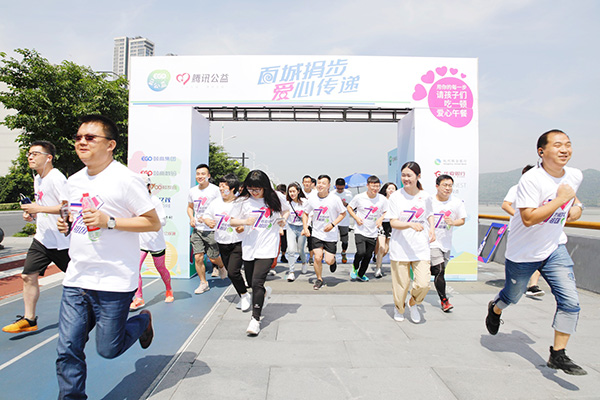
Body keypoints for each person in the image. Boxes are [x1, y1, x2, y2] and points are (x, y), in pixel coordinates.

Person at [55, 115, 161, 399]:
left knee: (108, 349)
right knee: (68, 348)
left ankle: (142, 321)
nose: (82, 142)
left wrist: (109, 222)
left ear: (110, 144)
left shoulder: (126, 180)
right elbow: (73, 214)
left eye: (90, 137)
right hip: (77, 278)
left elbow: (152, 223)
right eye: (78, 137)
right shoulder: (73, 181)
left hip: (114, 280)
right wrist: (67, 223)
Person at [485, 129, 587, 376]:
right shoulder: (531, 179)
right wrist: (560, 200)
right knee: (513, 296)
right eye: (558, 145)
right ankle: (495, 308)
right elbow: (529, 218)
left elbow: (574, 200)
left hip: (554, 247)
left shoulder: (575, 175)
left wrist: (578, 208)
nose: (565, 149)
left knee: (570, 302)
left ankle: (558, 354)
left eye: (568, 144)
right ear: (541, 151)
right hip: (523, 253)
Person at [2, 141, 70, 334]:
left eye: (35, 153)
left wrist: (38, 208)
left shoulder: (57, 178)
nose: (30, 157)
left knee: (81, 279)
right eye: (29, 154)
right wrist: (32, 214)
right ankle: (29, 319)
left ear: (48, 158)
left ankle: (109, 308)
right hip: (42, 239)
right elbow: (43, 206)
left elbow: (67, 207)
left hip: (63, 241)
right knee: (27, 276)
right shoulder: (38, 179)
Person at [230, 170, 290, 335]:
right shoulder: (242, 201)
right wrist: (244, 221)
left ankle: (255, 320)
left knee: (257, 282)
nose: (254, 192)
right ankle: (264, 293)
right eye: (250, 188)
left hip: (268, 246)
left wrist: (283, 220)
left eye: (257, 189)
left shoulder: (276, 197)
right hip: (249, 246)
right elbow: (232, 221)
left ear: (265, 186)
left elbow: (286, 210)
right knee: (251, 282)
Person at [387, 162, 435, 323]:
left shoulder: (425, 196)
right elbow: (393, 222)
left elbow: (429, 214)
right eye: (403, 175)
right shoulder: (396, 196)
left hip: (420, 247)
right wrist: (409, 224)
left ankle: (413, 303)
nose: (405, 179)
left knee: (423, 283)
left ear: (418, 176)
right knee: (401, 285)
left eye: (409, 175)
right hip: (400, 247)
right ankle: (399, 309)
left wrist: (432, 229)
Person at [203, 174, 251, 311]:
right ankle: (243, 294)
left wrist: (243, 227)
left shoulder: (240, 203)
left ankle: (244, 295)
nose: (221, 189)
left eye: (224, 187)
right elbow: (206, 215)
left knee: (233, 272)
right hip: (222, 242)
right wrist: (208, 221)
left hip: (237, 242)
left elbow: (249, 219)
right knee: (231, 271)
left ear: (232, 189)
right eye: (220, 187)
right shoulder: (215, 203)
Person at [130, 175, 173, 310]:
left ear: (149, 187)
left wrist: (147, 221)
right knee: (135, 268)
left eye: (143, 186)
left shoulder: (155, 201)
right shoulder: (133, 201)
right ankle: (139, 298)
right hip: (139, 241)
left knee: (160, 268)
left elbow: (163, 221)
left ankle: (169, 289)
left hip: (155, 241)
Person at [502, 164, 545, 297]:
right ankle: (513, 286)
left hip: (537, 231)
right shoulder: (516, 188)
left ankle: (533, 286)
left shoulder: (544, 190)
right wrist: (519, 216)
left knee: (539, 257)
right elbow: (505, 205)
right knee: (519, 259)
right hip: (518, 232)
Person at [187, 163, 227, 294]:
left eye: (203, 174)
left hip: (211, 230)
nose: (200, 176)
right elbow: (190, 207)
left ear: (208, 176)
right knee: (198, 257)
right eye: (198, 174)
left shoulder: (215, 190)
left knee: (213, 257)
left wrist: (212, 220)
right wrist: (191, 218)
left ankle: (221, 266)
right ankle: (203, 283)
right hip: (197, 230)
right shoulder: (192, 191)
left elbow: (222, 207)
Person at [302, 175, 346, 290]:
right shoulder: (312, 199)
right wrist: (305, 228)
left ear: (328, 186)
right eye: (319, 183)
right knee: (317, 257)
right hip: (317, 233)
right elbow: (305, 213)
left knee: (328, 260)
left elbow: (343, 213)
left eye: (323, 183)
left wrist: (332, 224)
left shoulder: (335, 199)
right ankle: (319, 279)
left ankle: (333, 261)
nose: (320, 185)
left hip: (330, 235)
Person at [430, 174, 466, 312]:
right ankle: (444, 300)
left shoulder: (456, 202)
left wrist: (453, 222)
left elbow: (462, 220)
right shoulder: (429, 201)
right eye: (445, 185)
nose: (447, 188)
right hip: (431, 242)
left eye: (450, 185)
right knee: (440, 270)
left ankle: (424, 274)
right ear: (437, 186)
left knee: (438, 271)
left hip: (446, 243)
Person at [347, 176, 388, 282]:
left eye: (377, 186)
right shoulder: (359, 197)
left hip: (373, 231)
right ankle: (355, 267)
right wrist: (356, 218)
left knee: (368, 255)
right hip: (360, 230)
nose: (375, 188)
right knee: (361, 252)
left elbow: (386, 211)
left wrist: (381, 219)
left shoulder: (382, 199)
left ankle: (361, 274)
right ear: (367, 185)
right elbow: (349, 207)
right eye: (373, 186)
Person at [285, 182, 309, 280]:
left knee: (300, 249)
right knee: (291, 250)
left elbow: (309, 215)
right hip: (291, 227)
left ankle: (304, 262)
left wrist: (306, 227)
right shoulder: (287, 203)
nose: (292, 193)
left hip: (302, 227)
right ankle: (291, 271)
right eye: (290, 191)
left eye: (293, 191)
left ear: (298, 191)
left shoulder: (304, 202)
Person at [374, 182, 397, 278]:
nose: (391, 190)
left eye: (393, 189)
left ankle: (377, 257)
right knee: (382, 247)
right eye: (389, 188)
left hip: (391, 225)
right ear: (386, 190)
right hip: (382, 224)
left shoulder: (397, 201)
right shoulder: (382, 200)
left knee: (386, 250)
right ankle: (378, 268)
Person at [332, 178, 353, 263]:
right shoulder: (332, 194)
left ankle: (343, 252)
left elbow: (352, 207)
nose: (340, 190)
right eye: (338, 188)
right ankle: (332, 255)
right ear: (335, 186)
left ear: (344, 186)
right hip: (334, 220)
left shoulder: (349, 194)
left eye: (341, 188)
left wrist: (346, 204)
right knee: (333, 240)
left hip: (344, 221)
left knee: (344, 240)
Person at [276, 183, 288, 263]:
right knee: (283, 242)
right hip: (281, 224)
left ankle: (280, 256)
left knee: (281, 243)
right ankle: (282, 255)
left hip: (281, 224)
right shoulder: (283, 198)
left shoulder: (281, 198)